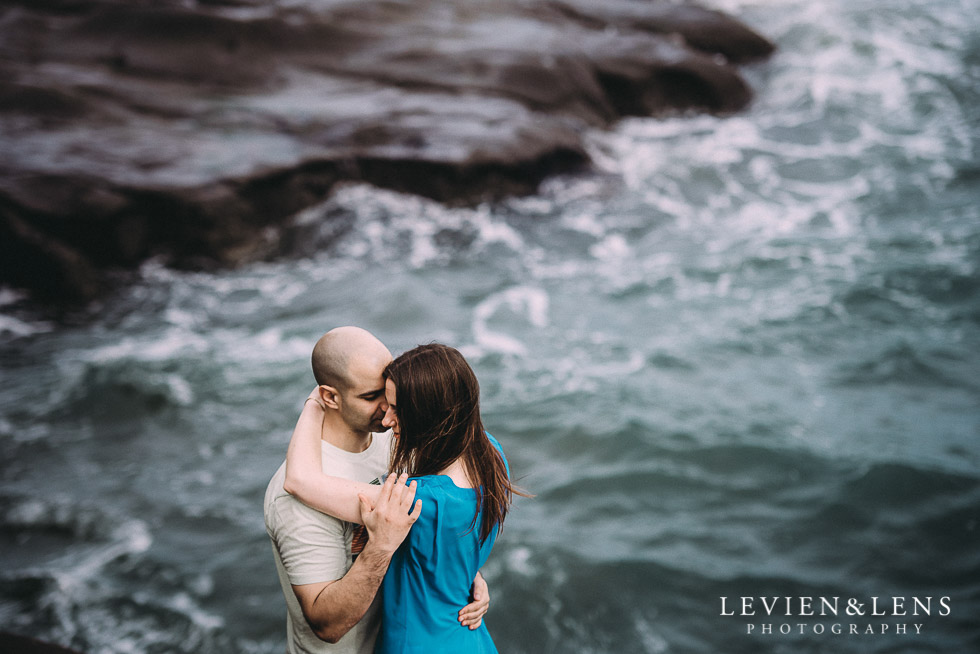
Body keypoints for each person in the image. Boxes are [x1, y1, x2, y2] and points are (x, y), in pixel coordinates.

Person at [264, 328, 489, 654]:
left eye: (387, 390)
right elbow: (326, 625)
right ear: (330, 397)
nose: (388, 412)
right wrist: (381, 546)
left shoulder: (395, 436)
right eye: (371, 397)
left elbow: (437, 519)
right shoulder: (296, 500)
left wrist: (461, 572)